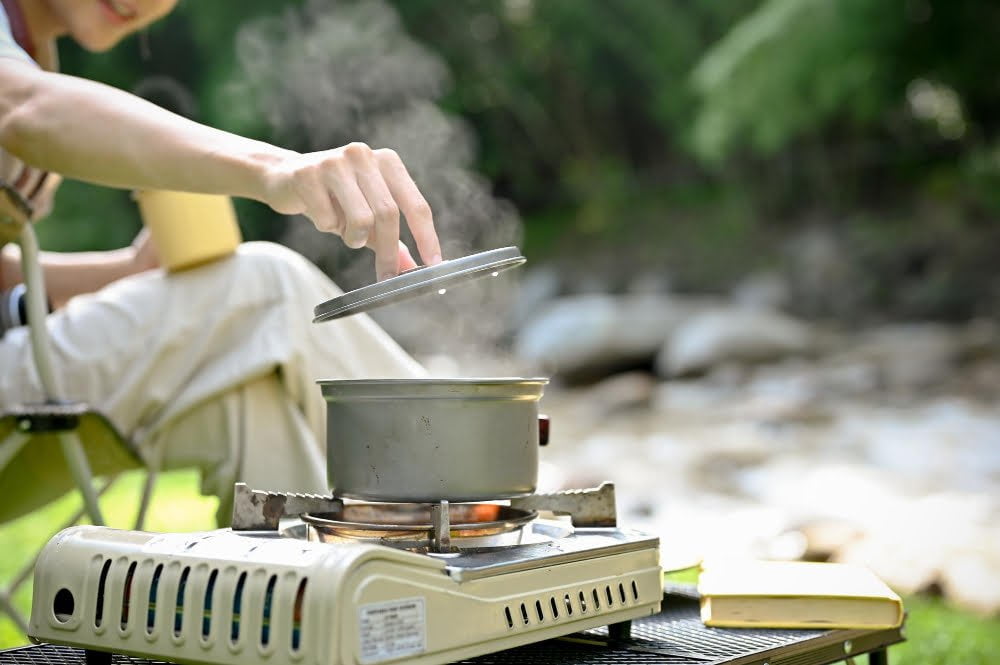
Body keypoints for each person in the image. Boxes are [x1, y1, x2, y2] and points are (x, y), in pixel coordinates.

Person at [0, 0, 441, 523]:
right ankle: (481, 494)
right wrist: (276, 169)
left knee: (252, 403)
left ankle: (312, 593)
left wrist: (128, 271)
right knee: (266, 285)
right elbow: (22, 107)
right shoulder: (23, 72)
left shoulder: (33, 51)